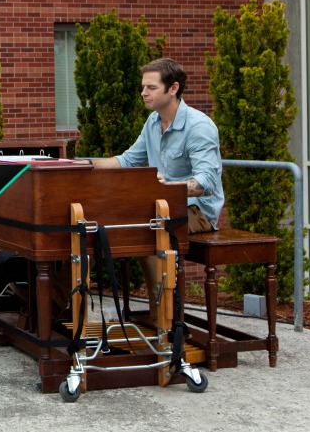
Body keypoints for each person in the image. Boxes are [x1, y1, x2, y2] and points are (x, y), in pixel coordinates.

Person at [92, 57, 223, 314]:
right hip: (162, 208)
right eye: (143, 87)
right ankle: (55, 306)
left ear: (173, 88)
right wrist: (81, 164)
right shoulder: (153, 122)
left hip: (198, 212)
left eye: (151, 88)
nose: (143, 93)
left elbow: (205, 183)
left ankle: (165, 319)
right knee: (92, 221)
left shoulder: (199, 127)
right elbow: (127, 160)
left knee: (147, 225)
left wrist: (170, 187)